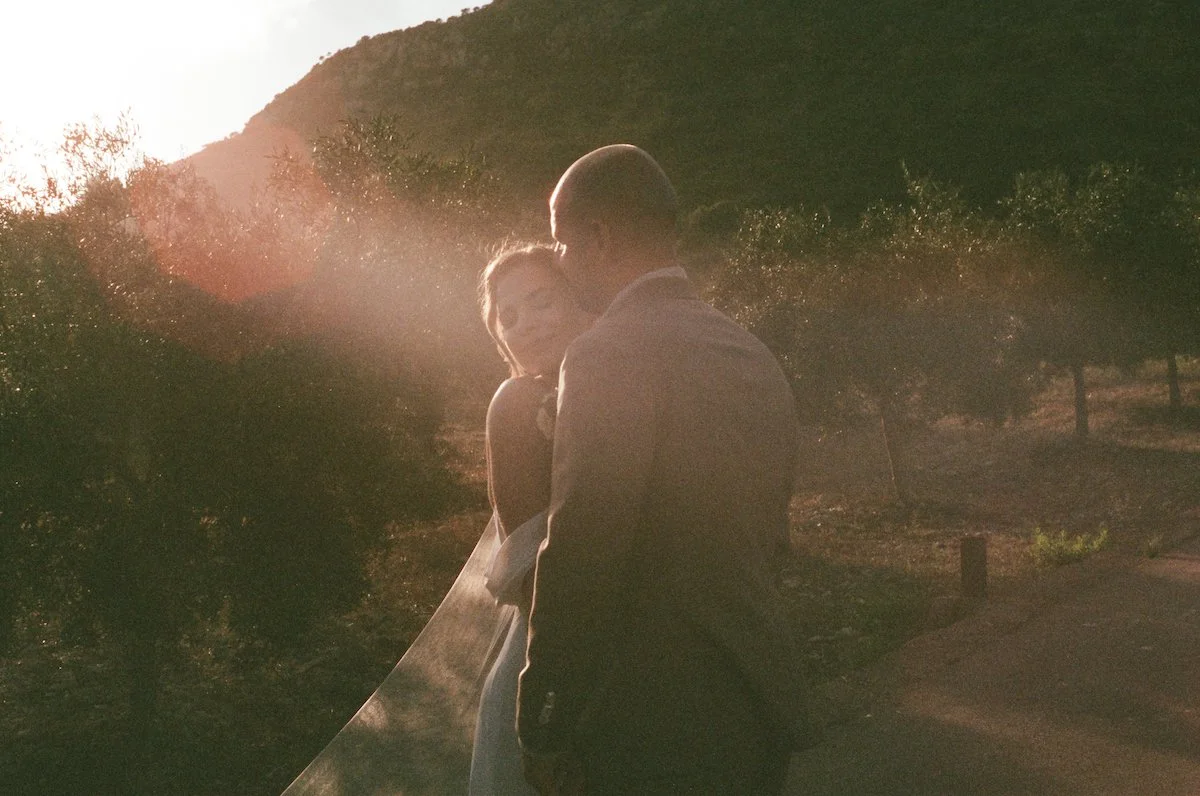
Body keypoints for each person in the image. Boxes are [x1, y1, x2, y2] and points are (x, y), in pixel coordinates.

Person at [517, 145, 805, 794]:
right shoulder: (749, 350)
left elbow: (585, 551)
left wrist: (544, 719)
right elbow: (770, 533)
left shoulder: (604, 354)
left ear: (598, 237)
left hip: (657, 727)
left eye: (562, 243)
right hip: (759, 705)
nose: (559, 260)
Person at [469, 244, 594, 795]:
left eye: (540, 302)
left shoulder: (611, 391)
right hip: (545, 663)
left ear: (578, 297)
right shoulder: (517, 403)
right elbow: (529, 573)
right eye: (508, 316)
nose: (525, 325)